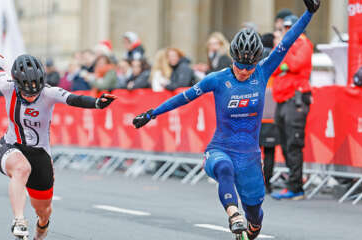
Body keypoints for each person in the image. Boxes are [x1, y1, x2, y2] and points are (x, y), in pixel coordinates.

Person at [132, 1, 319, 239]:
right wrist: (151, 113)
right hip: (220, 148)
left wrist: (309, 14)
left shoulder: (262, 71)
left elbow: (286, 42)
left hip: (249, 156)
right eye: (240, 66)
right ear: (233, 58)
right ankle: (233, 215)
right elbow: (183, 98)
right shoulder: (216, 79)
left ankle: (248, 223)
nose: (244, 71)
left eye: (248, 67)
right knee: (223, 168)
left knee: (255, 217)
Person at [0, 50, 117, 239]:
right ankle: (19, 220)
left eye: (35, 91)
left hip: (40, 155)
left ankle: (40, 229)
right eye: (26, 92)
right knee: (21, 168)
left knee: (44, 211)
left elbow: (73, 99)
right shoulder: (7, 86)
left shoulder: (48, 93)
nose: (31, 96)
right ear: (17, 84)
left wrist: (97, 103)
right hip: (11, 145)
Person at [270, 14, 314, 200]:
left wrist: (285, 52)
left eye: (288, 28)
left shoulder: (303, 43)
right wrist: (285, 63)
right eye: (284, 28)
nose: (285, 31)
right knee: (285, 142)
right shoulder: (288, 45)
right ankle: (293, 182)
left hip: (295, 98)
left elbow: (295, 64)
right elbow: (275, 67)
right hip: (282, 99)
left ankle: (296, 186)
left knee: (294, 143)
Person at [259, 33, 280, 194]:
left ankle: (257, 182)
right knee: (270, 151)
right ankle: (267, 184)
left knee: (255, 151)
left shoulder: (256, 58)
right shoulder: (277, 56)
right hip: (272, 111)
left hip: (258, 113)